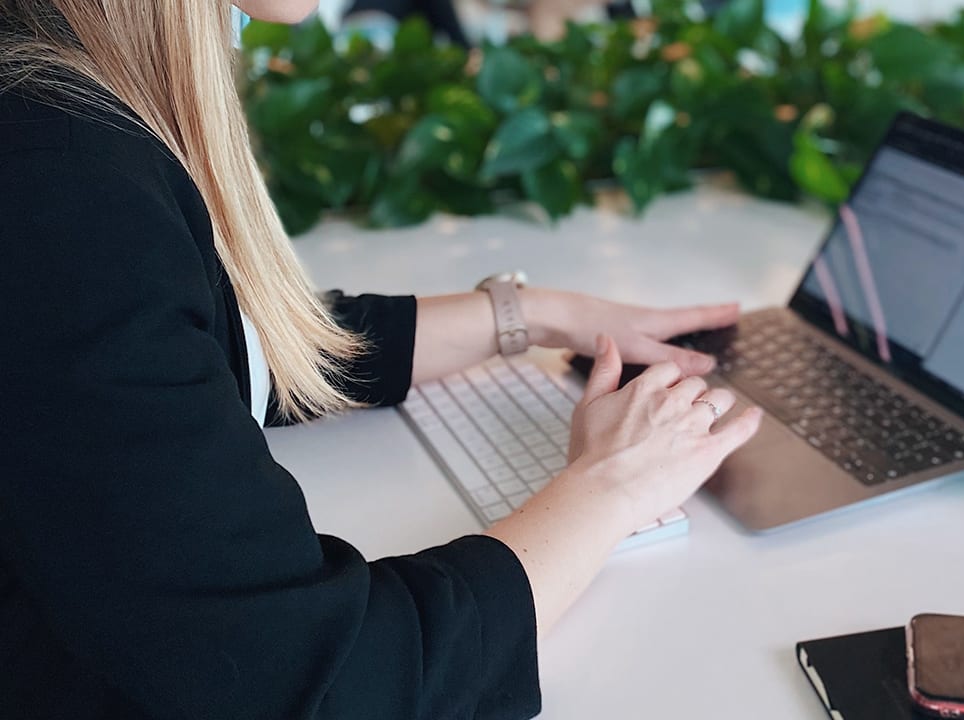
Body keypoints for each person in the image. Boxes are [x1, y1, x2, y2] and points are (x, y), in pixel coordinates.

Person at [0, 1, 764, 718]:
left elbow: (198, 347)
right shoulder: (59, 175)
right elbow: (314, 677)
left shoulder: (55, 86)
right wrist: (610, 489)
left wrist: (531, 316)